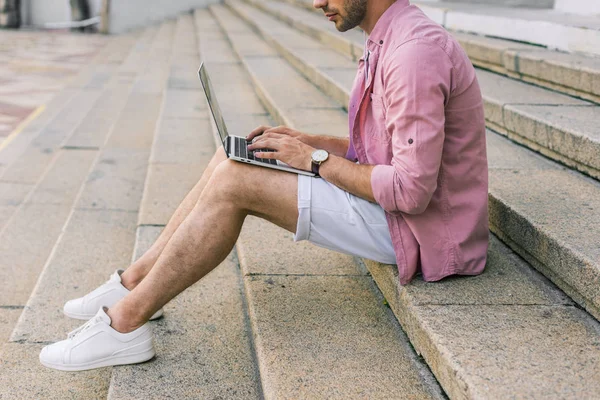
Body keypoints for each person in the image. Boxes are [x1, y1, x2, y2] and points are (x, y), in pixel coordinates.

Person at [39, 0, 488, 371]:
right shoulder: (388, 37)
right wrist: (306, 141)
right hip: (398, 209)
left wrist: (313, 160)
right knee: (231, 157)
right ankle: (135, 283)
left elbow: (411, 190)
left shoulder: (413, 54)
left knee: (237, 180)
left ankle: (124, 325)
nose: (316, 4)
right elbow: (380, 150)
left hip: (423, 232)